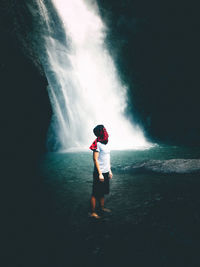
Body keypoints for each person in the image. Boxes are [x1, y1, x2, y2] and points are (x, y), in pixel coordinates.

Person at [89, 125, 113, 218]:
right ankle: (93, 212)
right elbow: (95, 159)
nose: (105, 131)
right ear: (101, 132)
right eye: (104, 130)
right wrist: (100, 174)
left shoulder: (106, 143)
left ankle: (102, 207)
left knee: (102, 192)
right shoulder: (97, 144)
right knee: (95, 193)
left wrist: (110, 170)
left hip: (106, 172)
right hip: (99, 173)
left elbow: (108, 158)